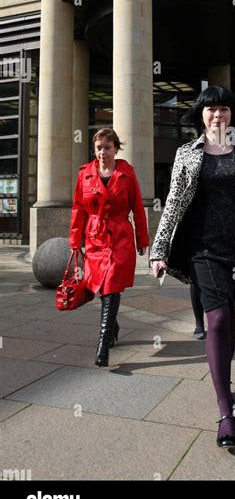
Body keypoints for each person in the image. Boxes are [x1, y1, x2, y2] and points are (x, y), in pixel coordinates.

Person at [149, 85, 235, 448]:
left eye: (223, 109)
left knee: (232, 320)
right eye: (210, 110)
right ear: (201, 116)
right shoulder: (186, 154)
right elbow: (173, 201)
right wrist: (159, 250)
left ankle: (224, 378)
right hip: (201, 250)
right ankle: (225, 411)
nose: (217, 115)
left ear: (231, 116)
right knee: (218, 320)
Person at [69, 127, 149, 367]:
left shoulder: (127, 173)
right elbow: (78, 209)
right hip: (94, 238)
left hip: (119, 237)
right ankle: (113, 326)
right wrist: (75, 242)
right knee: (101, 288)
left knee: (111, 284)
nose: (102, 152)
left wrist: (142, 240)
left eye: (107, 147)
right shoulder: (85, 173)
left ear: (116, 149)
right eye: (98, 148)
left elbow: (137, 207)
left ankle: (102, 346)